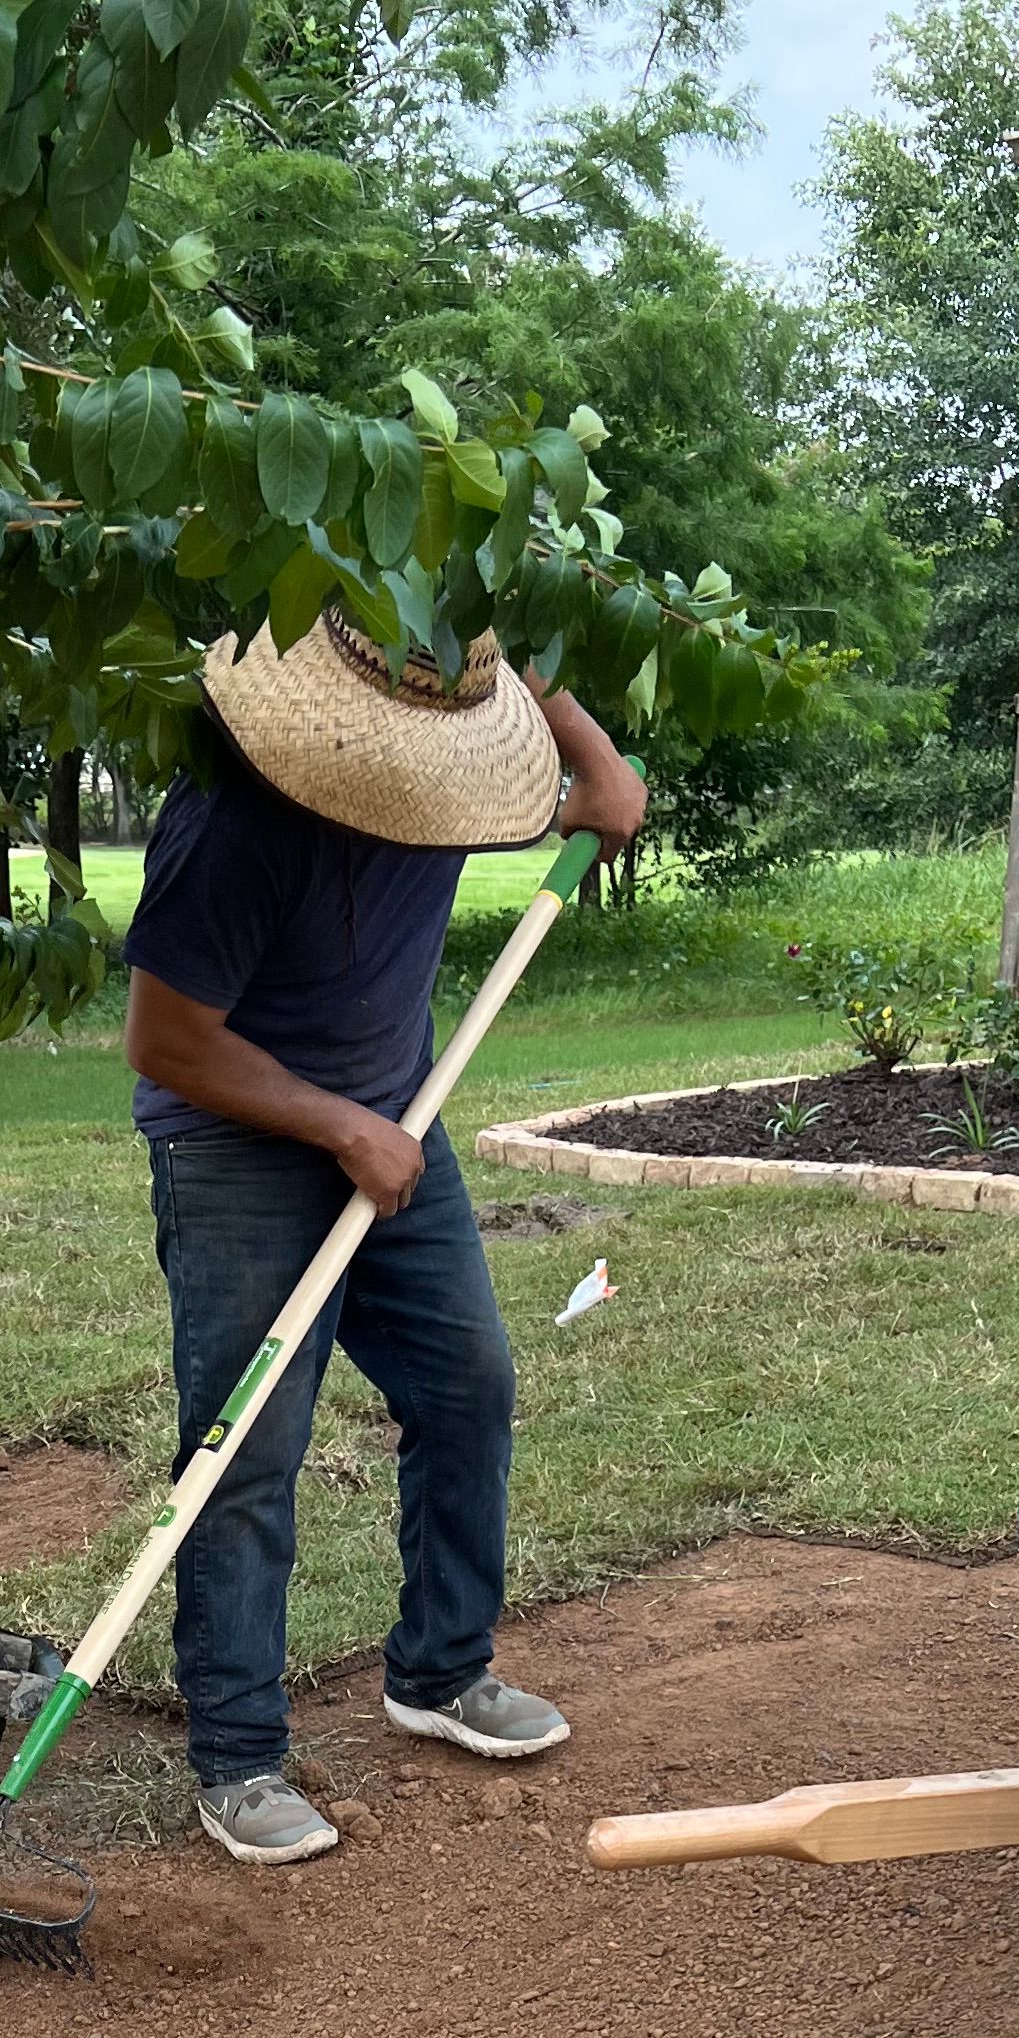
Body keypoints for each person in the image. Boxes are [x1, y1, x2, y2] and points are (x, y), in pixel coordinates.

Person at [120, 608, 649, 1864]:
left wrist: (596, 760)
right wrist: (338, 1128)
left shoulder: (448, 731)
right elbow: (166, 1045)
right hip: (243, 1142)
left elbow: (519, 659)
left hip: (400, 1116)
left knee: (469, 1384)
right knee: (249, 1449)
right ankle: (240, 1759)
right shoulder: (232, 822)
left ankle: (440, 1669)